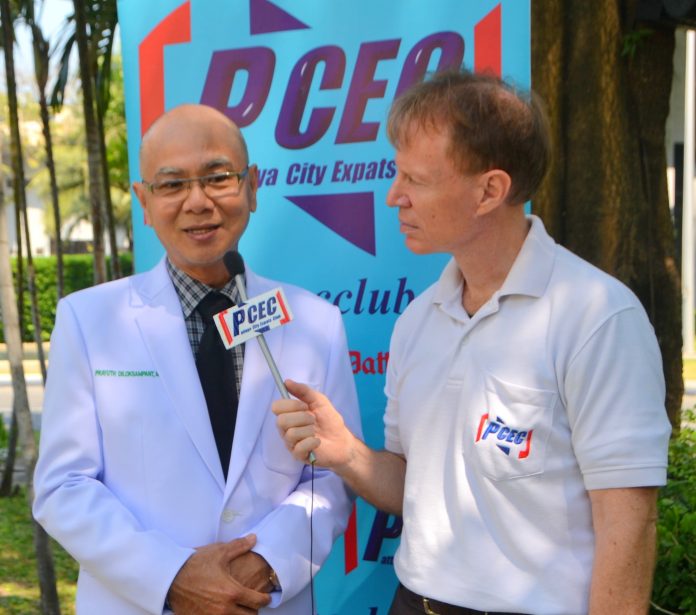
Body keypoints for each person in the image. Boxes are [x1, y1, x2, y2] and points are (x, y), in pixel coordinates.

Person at [273, 69, 672, 615]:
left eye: (415, 180)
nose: (394, 197)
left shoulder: (597, 317)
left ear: (490, 191)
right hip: (413, 602)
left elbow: (628, 520)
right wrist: (347, 454)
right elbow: (412, 486)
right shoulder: (419, 319)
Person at [33, 104, 361, 615]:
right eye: (172, 185)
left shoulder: (315, 322)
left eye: (218, 177)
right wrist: (172, 576)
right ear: (144, 201)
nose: (198, 202)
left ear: (252, 186)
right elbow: (64, 486)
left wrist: (264, 564)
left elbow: (333, 475)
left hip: (267, 600)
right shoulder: (89, 320)